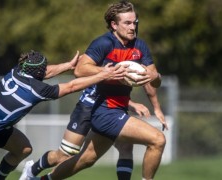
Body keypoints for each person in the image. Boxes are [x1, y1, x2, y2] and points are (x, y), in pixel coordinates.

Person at [0, 49, 127, 180]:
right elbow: (72, 85)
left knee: (23, 149)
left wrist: (67, 65)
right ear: (36, 73)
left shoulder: (16, 71)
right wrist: (103, 74)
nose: (46, 70)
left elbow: (44, 72)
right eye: (43, 69)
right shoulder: (38, 90)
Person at [34, 1, 168, 180]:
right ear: (114, 24)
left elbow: (152, 80)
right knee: (158, 140)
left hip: (117, 110)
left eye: (134, 22)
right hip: (102, 110)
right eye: (127, 23)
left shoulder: (140, 46)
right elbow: (80, 70)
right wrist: (109, 72)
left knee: (86, 159)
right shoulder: (104, 43)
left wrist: (156, 85)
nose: (132, 27)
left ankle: (44, 179)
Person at [19, 84, 157, 180]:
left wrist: (154, 76)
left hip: (110, 112)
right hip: (88, 108)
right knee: (64, 154)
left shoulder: (131, 54)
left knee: (123, 147)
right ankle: (32, 169)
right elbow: (86, 74)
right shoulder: (105, 51)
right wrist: (132, 105)